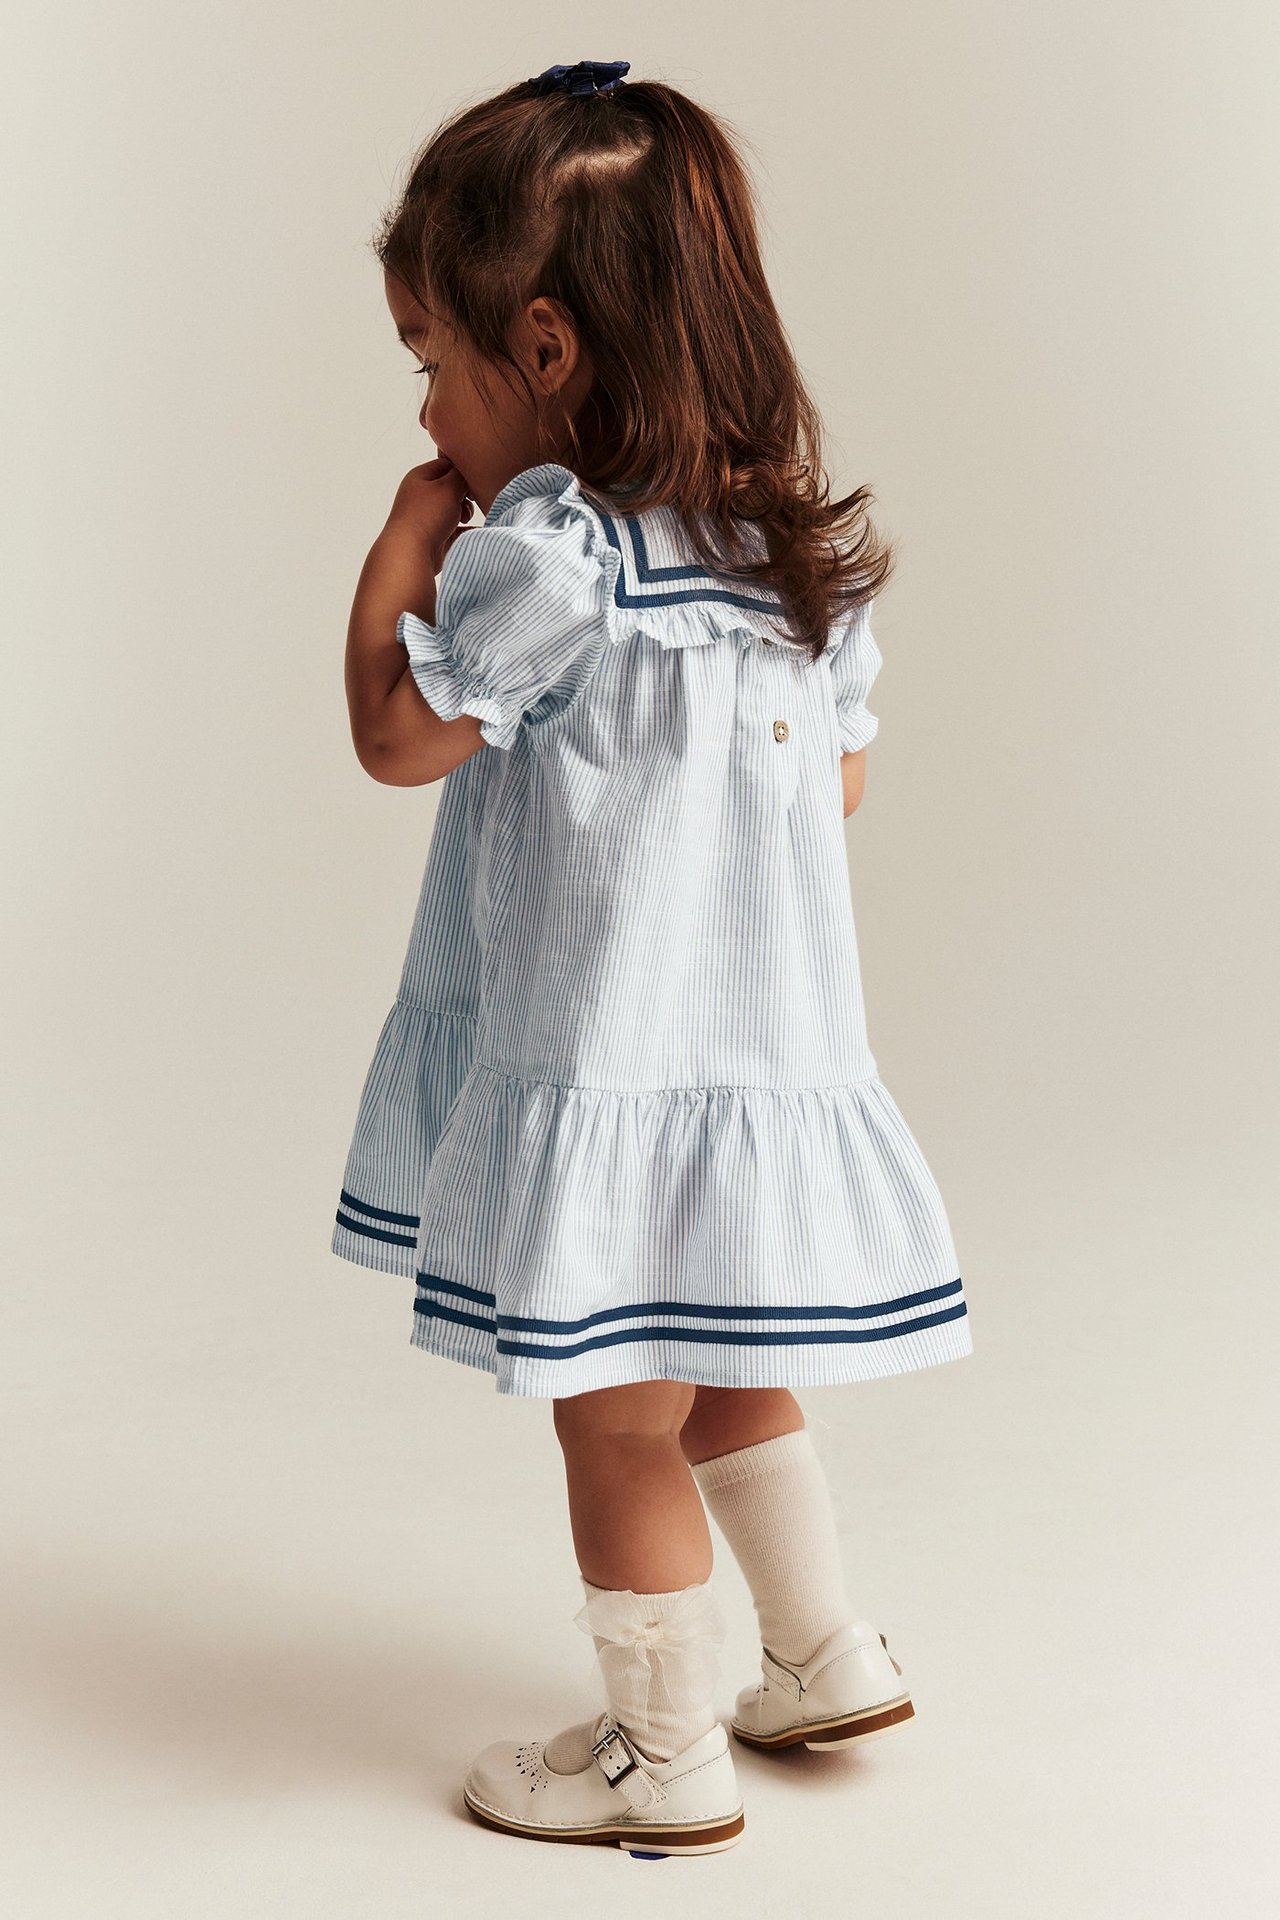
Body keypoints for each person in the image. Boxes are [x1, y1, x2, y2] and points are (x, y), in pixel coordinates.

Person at [332, 58, 974, 1857]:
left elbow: (399, 737)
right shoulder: (779, 539)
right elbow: (831, 780)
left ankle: (661, 1750)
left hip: (611, 1069)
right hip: (759, 1067)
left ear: (543, 349)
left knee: (619, 1421)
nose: (429, 405)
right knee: (736, 1362)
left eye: (429, 361)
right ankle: (822, 1647)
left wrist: (401, 544)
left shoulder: (553, 555)